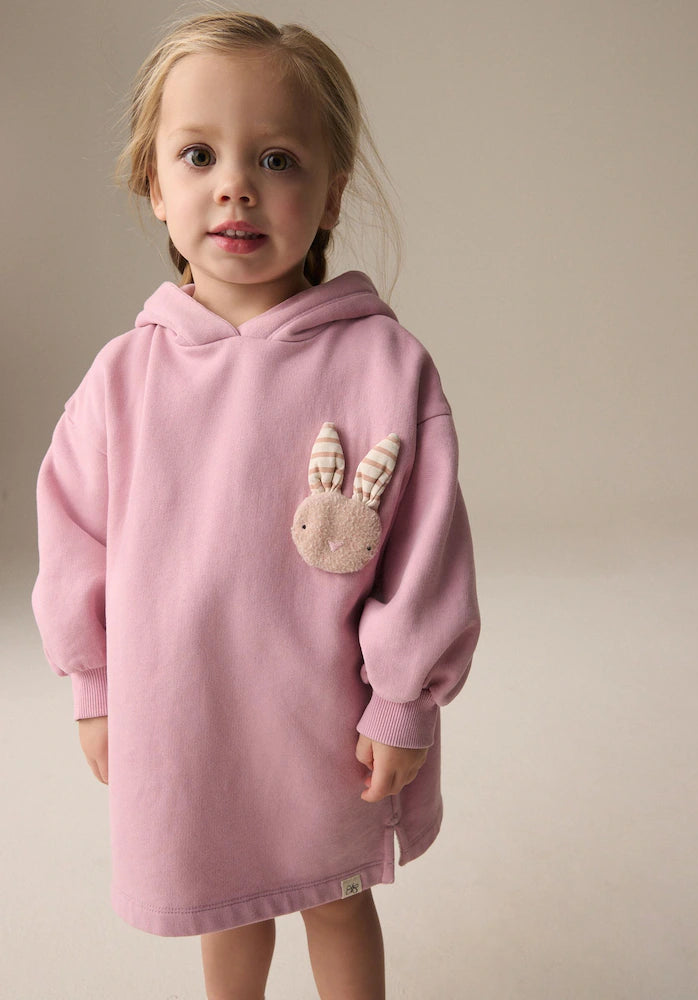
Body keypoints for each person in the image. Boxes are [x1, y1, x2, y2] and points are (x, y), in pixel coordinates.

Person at [31, 12, 480, 1000]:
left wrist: (403, 697)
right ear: (156, 183)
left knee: (335, 896)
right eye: (199, 155)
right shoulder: (123, 381)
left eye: (276, 159)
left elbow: (427, 552)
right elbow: (73, 536)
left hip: (326, 720)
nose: (235, 185)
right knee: (224, 901)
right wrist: (95, 682)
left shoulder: (381, 366)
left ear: (332, 193)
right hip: (188, 714)